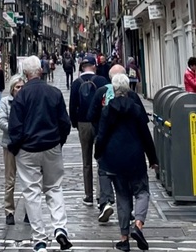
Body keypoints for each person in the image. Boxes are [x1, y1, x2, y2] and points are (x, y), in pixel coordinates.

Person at [8, 55, 73, 251]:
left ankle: (39, 239)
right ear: (41, 71)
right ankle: (60, 228)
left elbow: (15, 128)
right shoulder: (54, 93)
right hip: (51, 146)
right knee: (54, 187)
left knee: (32, 193)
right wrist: (59, 142)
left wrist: (16, 147)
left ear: (26, 75)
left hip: (27, 149)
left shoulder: (21, 96)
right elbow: (65, 123)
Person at [95, 73, 158, 252]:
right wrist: (152, 159)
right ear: (128, 88)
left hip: (114, 160)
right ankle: (138, 225)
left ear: (114, 89)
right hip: (135, 159)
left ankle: (124, 238)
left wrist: (98, 155)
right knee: (142, 191)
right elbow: (146, 136)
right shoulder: (136, 109)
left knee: (122, 197)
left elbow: (102, 136)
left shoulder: (107, 110)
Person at [87, 63, 130, 223]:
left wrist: (99, 131)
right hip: (127, 140)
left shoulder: (101, 91)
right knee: (125, 172)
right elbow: (142, 120)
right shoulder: (131, 95)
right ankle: (127, 207)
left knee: (104, 170)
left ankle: (106, 202)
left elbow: (91, 114)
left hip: (105, 138)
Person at [68, 55, 108, 210]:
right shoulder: (102, 81)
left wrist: (75, 123)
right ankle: (101, 195)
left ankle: (88, 195)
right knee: (101, 159)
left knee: (86, 161)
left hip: (83, 123)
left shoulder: (76, 83)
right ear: (94, 66)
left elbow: (72, 106)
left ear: (82, 66)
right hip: (99, 123)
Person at [0, 74, 25, 225]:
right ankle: (9, 211)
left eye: (22, 87)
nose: (20, 90)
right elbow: (2, 121)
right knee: (10, 180)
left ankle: (29, 211)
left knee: (28, 180)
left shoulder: (27, 101)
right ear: (12, 89)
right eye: (17, 87)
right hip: (9, 144)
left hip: (25, 145)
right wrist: (16, 130)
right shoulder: (5, 102)